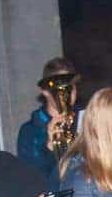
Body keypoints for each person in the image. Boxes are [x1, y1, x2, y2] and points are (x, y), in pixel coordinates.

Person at [17, 57, 83, 189]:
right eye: (60, 87)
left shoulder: (85, 118)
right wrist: (49, 148)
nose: (67, 93)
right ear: (45, 91)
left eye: (71, 86)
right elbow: (32, 182)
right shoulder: (29, 132)